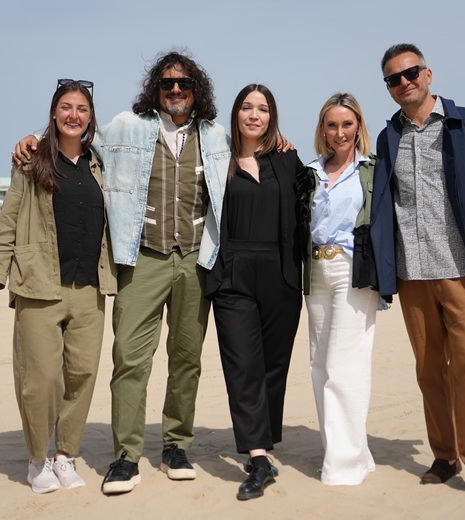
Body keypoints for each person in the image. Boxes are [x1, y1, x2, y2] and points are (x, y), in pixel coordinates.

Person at [14, 51, 230, 495]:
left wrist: (281, 141)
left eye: (183, 85)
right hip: (141, 257)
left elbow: (252, 150)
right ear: (156, 90)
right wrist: (32, 138)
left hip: (195, 258)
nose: (175, 91)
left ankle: (176, 445)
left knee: (186, 359)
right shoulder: (128, 127)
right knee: (130, 358)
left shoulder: (215, 135)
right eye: (167, 84)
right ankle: (126, 455)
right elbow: (76, 136)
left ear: (196, 90)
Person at [370, 43, 465, 501]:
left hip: (464, 270)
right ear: (389, 88)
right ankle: (444, 456)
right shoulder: (387, 136)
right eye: (394, 78)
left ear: (428, 74)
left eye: (410, 72)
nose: (404, 82)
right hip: (413, 275)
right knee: (430, 369)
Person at [0, 80, 117, 493]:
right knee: (39, 379)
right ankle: (38, 459)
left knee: (81, 374)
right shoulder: (31, 161)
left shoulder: (102, 163)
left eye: (82, 109)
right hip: (40, 284)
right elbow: (8, 218)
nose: (74, 115)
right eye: (65, 107)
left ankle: (65, 456)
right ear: (54, 114)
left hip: (91, 286)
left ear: (90, 117)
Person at [205, 84, 308, 500]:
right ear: (236, 114)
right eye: (247, 107)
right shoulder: (217, 158)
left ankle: (261, 444)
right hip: (232, 276)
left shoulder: (287, 159)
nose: (254, 115)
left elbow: (313, 204)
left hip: (281, 275)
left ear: (272, 117)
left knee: (272, 368)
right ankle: (259, 459)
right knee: (243, 366)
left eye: (262, 109)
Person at [304, 92, 384, 486]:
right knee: (320, 365)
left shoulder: (372, 170)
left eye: (347, 124)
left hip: (354, 269)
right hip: (314, 271)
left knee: (344, 365)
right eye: (332, 125)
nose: (340, 132)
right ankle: (354, 453)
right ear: (323, 129)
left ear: (358, 127)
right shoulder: (309, 171)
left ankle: (343, 466)